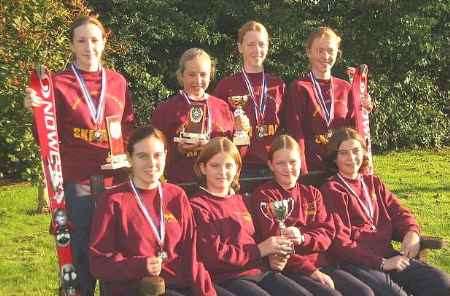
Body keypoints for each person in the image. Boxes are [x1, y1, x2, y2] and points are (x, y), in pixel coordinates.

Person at [24, 16, 134, 295]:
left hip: (115, 181)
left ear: (104, 42)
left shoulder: (119, 82)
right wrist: (36, 111)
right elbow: (46, 137)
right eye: (82, 40)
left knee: (116, 253)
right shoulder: (57, 83)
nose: (89, 47)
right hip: (76, 182)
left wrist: (127, 157)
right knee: (80, 255)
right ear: (72, 45)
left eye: (95, 40)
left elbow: (128, 126)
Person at [89, 125, 222, 295]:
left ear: (166, 155)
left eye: (157, 155)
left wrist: (207, 293)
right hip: (138, 288)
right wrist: (139, 265)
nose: (151, 163)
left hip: (180, 286)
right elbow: (98, 263)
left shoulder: (176, 195)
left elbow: (193, 255)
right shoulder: (113, 200)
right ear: (130, 158)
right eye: (142, 156)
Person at [320, 127, 450, 296]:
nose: (351, 158)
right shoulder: (332, 190)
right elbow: (340, 242)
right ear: (334, 158)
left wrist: (411, 232)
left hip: (389, 256)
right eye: (343, 153)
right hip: (356, 264)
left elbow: (399, 213)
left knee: (441, 283)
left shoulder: (373, 183)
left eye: (355, 151)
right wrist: (381, 263)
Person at [251, 135, 374, 296]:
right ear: (271, 165)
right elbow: (277, 245)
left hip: (323, 262)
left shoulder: (312, 193)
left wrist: (303, 238)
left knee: (364, 292)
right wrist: (311, 271)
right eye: (281, 163)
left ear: (301, 162)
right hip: (291, 267)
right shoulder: (265, 195)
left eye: (293, 162)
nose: (288, 168)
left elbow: (327, 232)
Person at [190, 137, 313, 296]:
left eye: (228, 166)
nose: (222, 172)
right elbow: (214, 256)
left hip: (261, 272)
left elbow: (258, 238)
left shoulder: (243, 200)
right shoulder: (198, 205)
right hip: (227, 278)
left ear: (237, 169)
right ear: (203, 168)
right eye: (215, 166)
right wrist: (260, 250)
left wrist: (274, 257)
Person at [285, 27, 371, 175]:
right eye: (320, 50)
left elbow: (355, 131)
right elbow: (296, 133)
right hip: (312, 169)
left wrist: (363, 109)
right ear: (309, 52)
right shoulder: (299, 88)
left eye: (330, 51)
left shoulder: (345, 88)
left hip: (343, 169)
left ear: (337, 53)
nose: (325, 56)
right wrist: (302, 173)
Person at [213, 21, 286, 184]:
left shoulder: (278, 85)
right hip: (238, 166)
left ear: (267, 46)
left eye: (261, 44)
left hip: (273, 166)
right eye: (251, 44)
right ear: (240, 47)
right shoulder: (227, 86)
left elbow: (287, 127)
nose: (257, 50)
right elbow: (217, 129)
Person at [152, 48, 234, 188]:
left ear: (210, 75)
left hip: (216, 186)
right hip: (180, 185)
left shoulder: (222, 108)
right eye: (191, 74)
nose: (198, 80)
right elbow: (153, 153)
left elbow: (233, 151)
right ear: (181, 75)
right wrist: (178, 150)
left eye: (203, 74)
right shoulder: (165, 110)